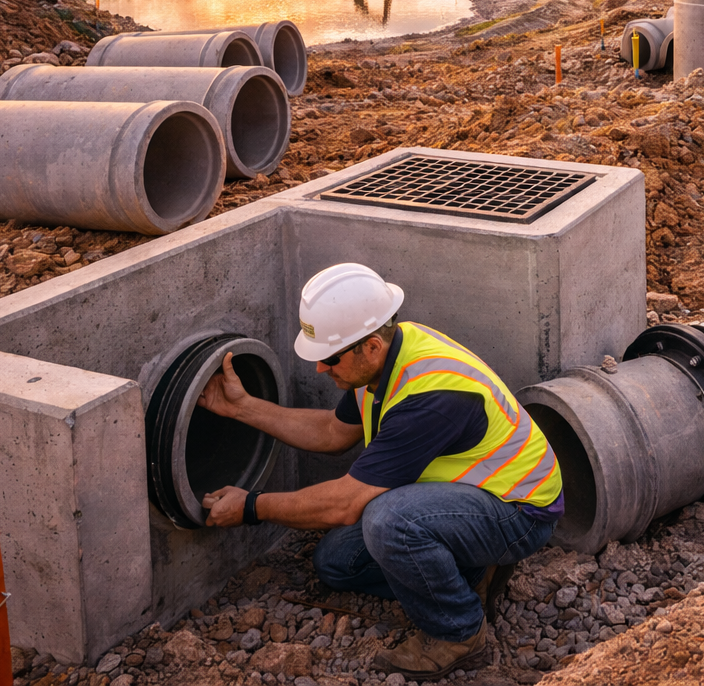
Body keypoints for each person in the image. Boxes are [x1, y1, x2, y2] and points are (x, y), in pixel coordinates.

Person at [197, 263, 563, 680]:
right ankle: (471, 569)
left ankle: (459, 633)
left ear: (369, 346)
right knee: (336, 563)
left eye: (329, 358)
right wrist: (242, 407)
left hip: (518, 509)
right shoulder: (384, 356)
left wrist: (250, 507)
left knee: (389, 522)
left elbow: (344, 504)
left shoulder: (430, 396)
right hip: (463, 496)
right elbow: (334, 432)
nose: (320, 369)